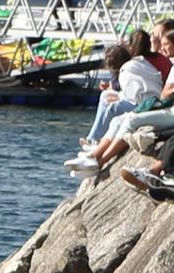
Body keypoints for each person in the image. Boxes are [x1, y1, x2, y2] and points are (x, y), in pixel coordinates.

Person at [68, 43, 162, 174]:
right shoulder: (137, 63)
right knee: (106, 95)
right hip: (151, 99)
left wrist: (120, 98)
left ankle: (95, 142)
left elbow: (135, 96)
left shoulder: (125, 71)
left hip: (146, 104)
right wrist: (118, 95)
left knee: (113, 107)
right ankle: (92, 139)